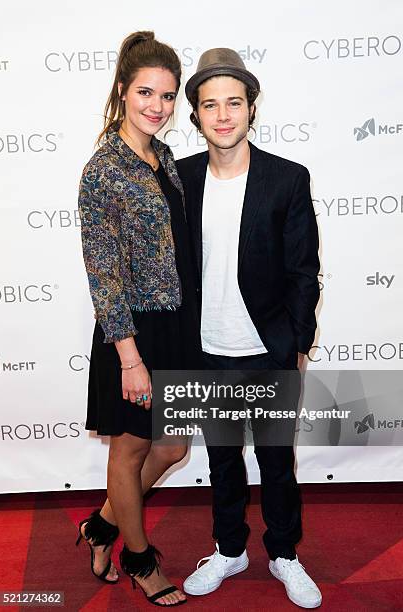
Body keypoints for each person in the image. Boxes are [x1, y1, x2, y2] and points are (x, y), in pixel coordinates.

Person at [176, 49, 322, 608]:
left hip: (268, 350)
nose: (222, 115)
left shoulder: (286, 178)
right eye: (209, 104)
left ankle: (284, 553)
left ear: (251, 108)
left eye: (233, 102)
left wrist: (298, 343)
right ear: (195, 115)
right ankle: (230, 548)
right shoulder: (181, 178)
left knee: (277, 461)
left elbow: (304, 271)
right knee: (220, 458)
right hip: (205, 349)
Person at [76, 31, 199, 607]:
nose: (158, 105)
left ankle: (102, 525)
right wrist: (130, 358)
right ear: (123, 90)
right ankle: (139, 558)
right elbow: (104, 273)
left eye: (169, 95)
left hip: (175, 325)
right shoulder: (103, 169)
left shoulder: (162, 155)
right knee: (128, 452)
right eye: (147, 92)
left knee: (172, 447)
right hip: (134, 333)